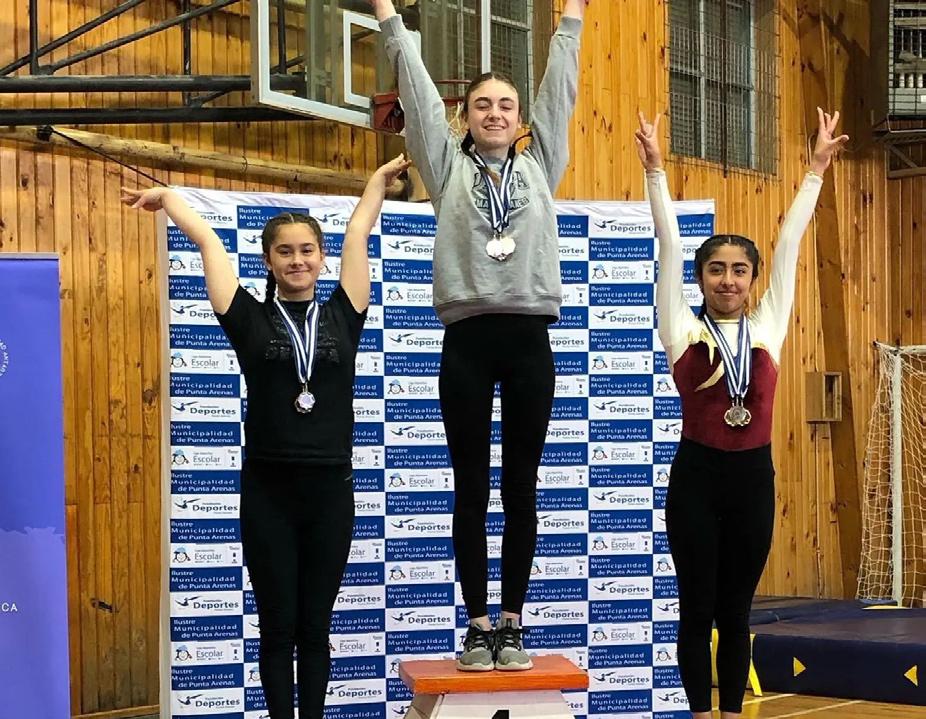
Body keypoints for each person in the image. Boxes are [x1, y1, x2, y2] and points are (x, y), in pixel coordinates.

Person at [122, 155, 410, 719]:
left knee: (315, 629)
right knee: (278, 630)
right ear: (269, 261)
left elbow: (357, 230)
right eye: (285, 252)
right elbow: (209, 243)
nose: (297, 260)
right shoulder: (248, 318)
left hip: (330, 492)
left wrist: (376, 182)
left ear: (321, 258)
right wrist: (171, 199)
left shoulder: (345, 312)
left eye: (307, 250)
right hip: (268, 494)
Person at [367, 0, 590, 672]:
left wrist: (572, 21)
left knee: (520, 486)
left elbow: (560, 95)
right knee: (470, 487)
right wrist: (389, 18)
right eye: (483, 105)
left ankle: (513, 623)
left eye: (506, 106)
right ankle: (476, 625)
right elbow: (415, 92)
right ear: (465, 117)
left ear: (521, 121)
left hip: (528, 341)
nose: (495, 113)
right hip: (466, 340)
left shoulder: (541, 164)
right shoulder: (444, 166)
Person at [634, 108, 848, 718]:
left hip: (753, 480)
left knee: (735, 613)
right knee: (696, 610)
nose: (728, 280)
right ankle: (700, 715)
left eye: (739, 270)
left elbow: (790, 247)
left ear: (752, 279)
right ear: (700, 278)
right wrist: (655, 171)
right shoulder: (680, 328)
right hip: (696, 480)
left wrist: (815, 171)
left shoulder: (769, 327)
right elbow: (668, 242)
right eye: (716, 270)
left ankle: (732, 714)